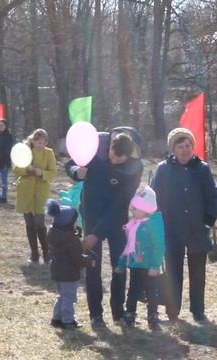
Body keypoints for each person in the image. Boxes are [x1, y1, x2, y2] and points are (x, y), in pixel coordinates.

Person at [66, 130, 143, 328]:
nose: (113, 158)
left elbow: (119, 204)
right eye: (111, 153)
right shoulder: (96, 145)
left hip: (116, 219)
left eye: (119, 157)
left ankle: (118, 311)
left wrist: (96, 234)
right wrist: (76, 171)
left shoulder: (134, 168)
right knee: (93, 266)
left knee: (119, 264)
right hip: (91, 213)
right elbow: (70, 163)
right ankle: (96, 314)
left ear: (128, 155)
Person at [151, 128, 217, 323]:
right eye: (180, 146)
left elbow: (214, 196)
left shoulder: (202, 169)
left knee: (198, 273)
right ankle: (172, 311)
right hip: (171, 229)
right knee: (173, 272)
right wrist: (157, 223)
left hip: (197, 229)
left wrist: (209, 218)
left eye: (188, 146)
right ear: (173, 149)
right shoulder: (163, 169)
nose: (185, 150)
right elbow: (154, 197)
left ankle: (198, 310)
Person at [115, 186, 165, 331]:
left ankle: (153, 318)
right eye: (132, 208)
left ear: (146, 209)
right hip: (136, 265)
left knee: (151, 292)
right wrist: (122, 263)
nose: (132, 211)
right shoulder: (134, 225)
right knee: (133, 291)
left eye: (135, 209)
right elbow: (128, 247)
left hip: (149, 266)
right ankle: (130, 315)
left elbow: (159, 245)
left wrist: (155, 265)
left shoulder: (154, 223)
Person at [46, 199, 94, 330]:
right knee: (69, 298)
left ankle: (56, 318)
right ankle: (68, 320)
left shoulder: (53, 235)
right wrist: (89, 261)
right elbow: (76, 259)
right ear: (69, 224)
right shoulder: (72, 240)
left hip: (56, 271)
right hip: (69, 273)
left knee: (61, 295)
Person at [13, 129, 57, 263]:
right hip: (25, 191)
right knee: (29, 223)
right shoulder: (25, 151)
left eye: (44, 142)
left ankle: (46, 251)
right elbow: (16, 169)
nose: (41, 145)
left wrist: (41, 173)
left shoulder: (49, 153)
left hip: (41, 191)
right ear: (33, 140)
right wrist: (27, 169)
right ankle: (34, 253)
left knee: (39, 222)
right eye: (38, 142)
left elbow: (53, 172)